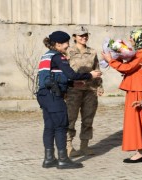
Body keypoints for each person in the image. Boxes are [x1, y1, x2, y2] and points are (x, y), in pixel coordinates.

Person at [36, 31, 102, 169]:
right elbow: (71, 74)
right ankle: (63, 159)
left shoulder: (46, 55)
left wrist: (72, 84)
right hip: (54, 96)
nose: (68, 46)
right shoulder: (58, 57)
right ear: (58, 44)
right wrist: (90, 75)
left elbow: (56, 76)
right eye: (66, 43)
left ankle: (49, 159)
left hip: (44, 95)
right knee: (61, 126)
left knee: (49, 127)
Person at [101, 29, 142, 163]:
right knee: (136, 120)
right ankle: (141, 150)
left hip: (138, 88)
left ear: (139, 38)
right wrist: (118, 53)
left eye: (132, 38)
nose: (130, 40)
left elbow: (129, 67)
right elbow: (131, 65)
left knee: (137, 120)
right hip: (135, 87)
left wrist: (111, 60)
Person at [66, 26, 103, 157]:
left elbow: (97, 69)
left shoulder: (92, 52)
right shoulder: (68, 51)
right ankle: (68, 146)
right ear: (74, 37)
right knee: (71, 118)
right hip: (73, 90)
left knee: (88, 119)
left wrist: (99, 86)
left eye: (86, 35)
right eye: (81, 35)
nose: (84, 37)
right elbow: (64, 71)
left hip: (90, 90)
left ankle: (84, 146)